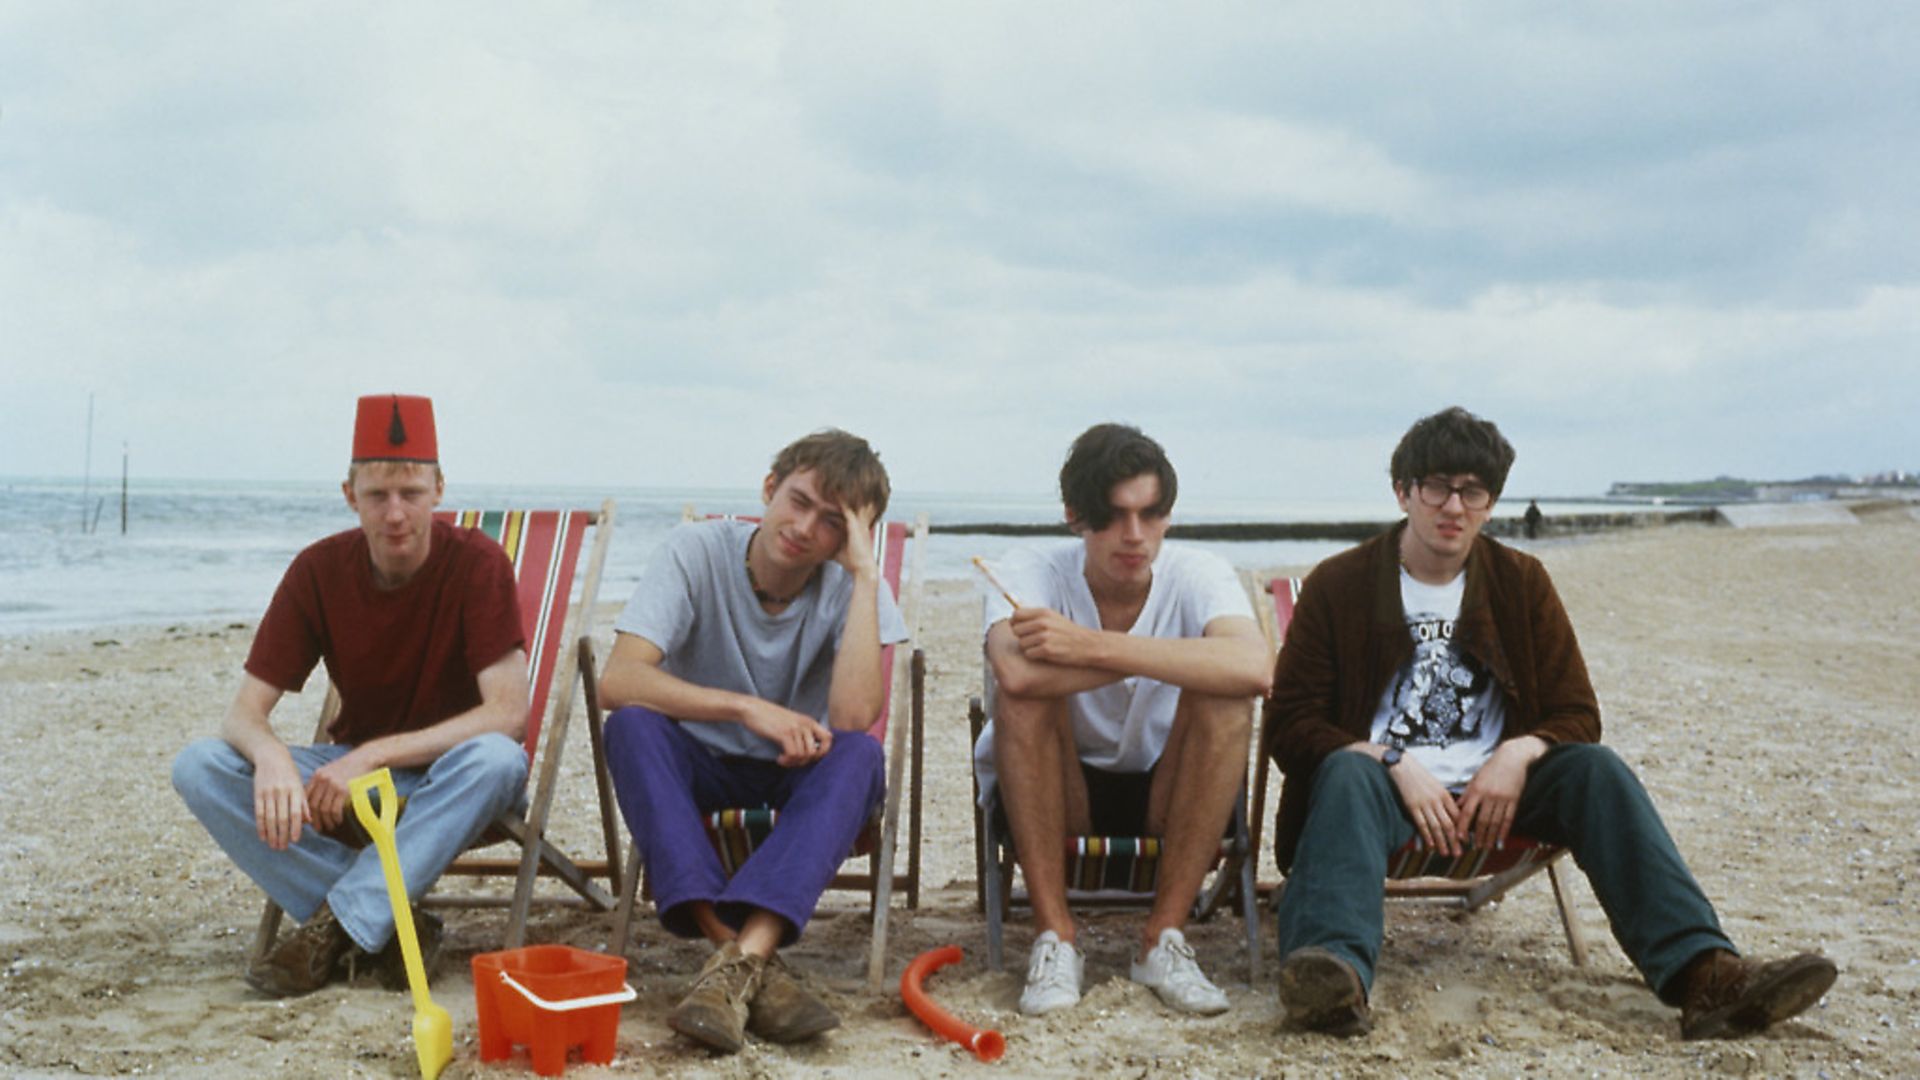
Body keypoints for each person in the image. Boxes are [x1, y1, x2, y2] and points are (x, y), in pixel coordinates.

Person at [1265, 406, 1837, 1039]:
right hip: (1380, 800)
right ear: (1403, 491)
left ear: (1491, 503)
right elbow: (1290, 726)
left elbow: (1577, 713)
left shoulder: (1521, 582)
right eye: (1436, 486)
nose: (1453, 505)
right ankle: (1332, 979)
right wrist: (1392, 762)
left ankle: (1706, 976)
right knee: (1347, 767)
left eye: (1473, 490)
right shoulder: (1339, 586)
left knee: (1596, 769)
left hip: (1497, 802)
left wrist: (1519, 754)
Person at [172, 394, 531, 997]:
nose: (395, 513)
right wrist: (274, 759)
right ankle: (389, 924)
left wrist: (369, 755)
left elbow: (508, 714)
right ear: (349, 495)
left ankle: (335, 926)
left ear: (439, 489)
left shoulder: (479, 564)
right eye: (376, 495)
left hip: (452, 777)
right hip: (354, 777)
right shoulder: (318, 571)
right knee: (200, 767)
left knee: (498, 757)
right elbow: (243, 713)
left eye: (411, 493)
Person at [598, 429, 906, 1054]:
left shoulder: (852, 584)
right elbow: (619, 679)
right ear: (768, 489)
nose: (803, 527)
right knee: (630, 724)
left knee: (861, 756)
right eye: (797, 501)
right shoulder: (696, 551)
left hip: (798, 769)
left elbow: (852, 716)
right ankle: (739, 956)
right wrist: (747, 709)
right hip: (700, 761)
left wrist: (867, 576)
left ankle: (737, 963)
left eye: (830, 522)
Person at [973, 423, 1272, 1017]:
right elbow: (1019, 676)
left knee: (1225, 695)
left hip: (1169, 787)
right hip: (1059, 783)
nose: (1133, 535)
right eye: (1112, 516)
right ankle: (1055, 937)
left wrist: (1086, 647)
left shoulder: (1196, 571)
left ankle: (1162, 939)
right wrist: (1174, 658)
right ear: (1075, 515)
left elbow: (1256, 668)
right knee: (1026, 700)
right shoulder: (1031, 566)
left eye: (1150, 513)